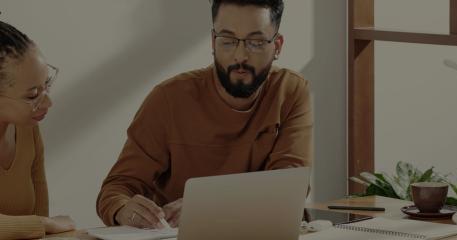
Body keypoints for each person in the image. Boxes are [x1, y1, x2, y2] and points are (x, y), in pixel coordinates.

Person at [97, 0, 313, 229]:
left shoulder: (290, 91)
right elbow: (117, 188)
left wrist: (206, 208)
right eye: (228, 41)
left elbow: (289, 190)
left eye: (256, 42)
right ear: (213, 42)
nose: (240, 56)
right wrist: (123, 209)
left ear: (277, 46)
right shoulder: (168, 99)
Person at [0, 21, 75, 239]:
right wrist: (43, 224)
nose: (47, 102)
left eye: (47, 85)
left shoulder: (27, 129)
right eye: (32, 95)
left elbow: (43, 229)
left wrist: (44, 225)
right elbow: (44, 224)